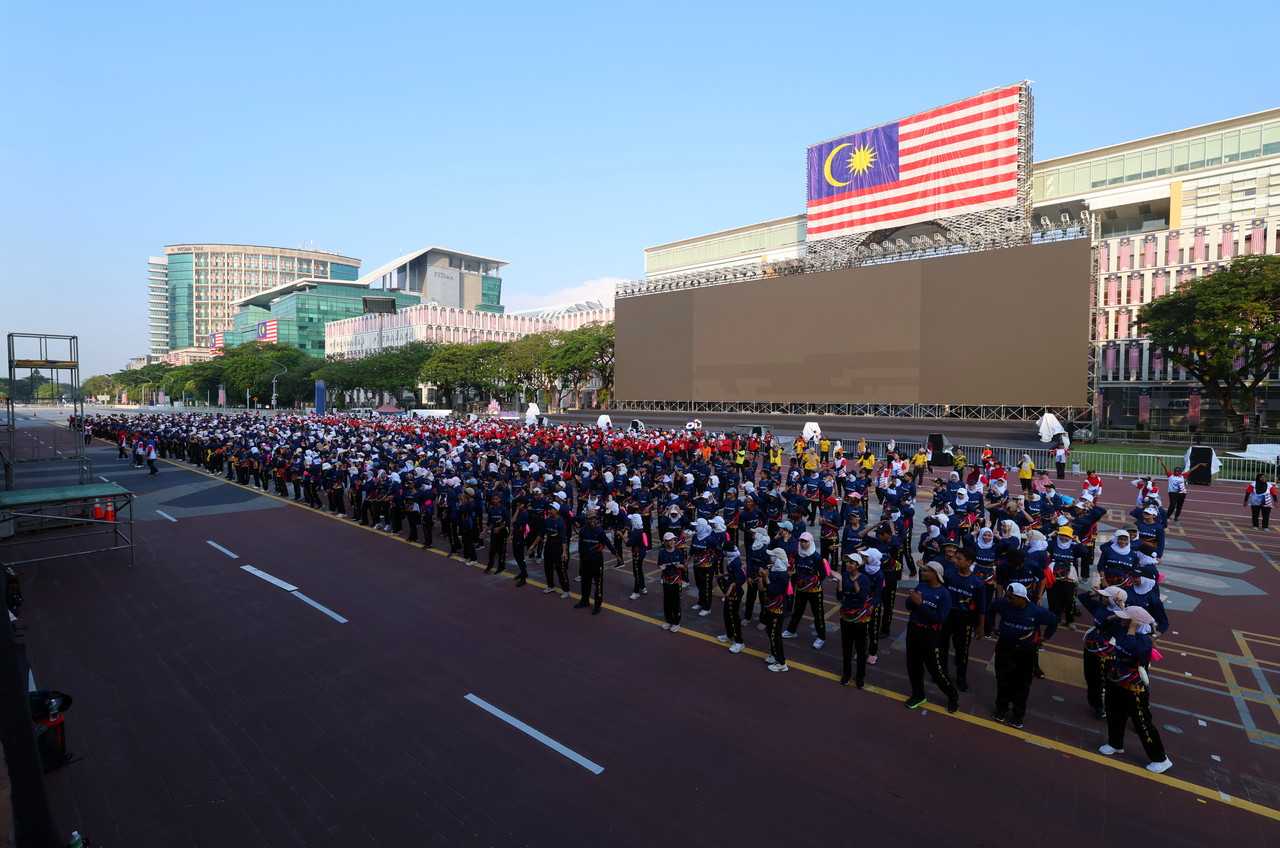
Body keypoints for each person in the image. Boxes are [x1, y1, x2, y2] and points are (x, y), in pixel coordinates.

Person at [1097, 606, 1174, 774]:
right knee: (1114, 713)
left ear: (1135, 623)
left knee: (1142, 722)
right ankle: (1115, 743)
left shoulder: (1144, 641)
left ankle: (1160, 758)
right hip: (1117, 682)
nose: (1122, 620)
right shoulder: (1123, 631)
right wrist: (1111, 618)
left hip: (1134, 687)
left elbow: (1128, 650)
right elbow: (1102, 629)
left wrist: (1131, 628)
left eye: (1126, 619)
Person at [986, 582, 1058, 728]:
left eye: (1011, 598)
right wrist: (992, 626)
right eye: (1007, 597)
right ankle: (1001, 709)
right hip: (1004, 649)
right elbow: (991, 608)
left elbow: (1053, 621)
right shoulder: (1003, 604)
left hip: (1025, 652)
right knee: (1002, 679)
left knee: (1022, 684)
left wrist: (1045, 637)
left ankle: (1017, 715)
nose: (1008, 600)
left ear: (1022, 598)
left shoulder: (1036, 611)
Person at [903, 561, 959, 711]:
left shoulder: (944, 594)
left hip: (930, 634)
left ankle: (952, 695)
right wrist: (911, 600)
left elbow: (940, 618)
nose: (923, 572)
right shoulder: (921, 586)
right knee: (913, 665)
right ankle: (918, 695)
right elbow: (908, 606)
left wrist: (920, 604)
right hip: (913, 630)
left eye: (927, 571)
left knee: (936, 670)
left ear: (936, 574)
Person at [1078, 585, 1128, 720]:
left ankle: (1102, 707)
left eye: (1105, 597)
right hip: (1091, 646)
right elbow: (1082, 597)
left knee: (1102, 680)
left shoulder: (1122, 617)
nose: (1102, 598)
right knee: (1090, 676)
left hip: (1107, 652)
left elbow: (1130, 623)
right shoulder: (1100, 607)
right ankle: (1094, 703)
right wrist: (1092, 594)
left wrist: (1121, 608)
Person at [940, 546, 986, 692]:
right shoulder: (948, 575)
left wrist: (980, 627)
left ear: (969, 562)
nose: (955, 560)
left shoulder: (977, 583)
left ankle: (961, 677)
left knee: (962, 650)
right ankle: (942, 674)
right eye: (955, 558)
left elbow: (981, 608)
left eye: (959, 558)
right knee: (942, 646)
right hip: (947, 616)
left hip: (964, 619)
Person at [835, 552, 875, 688]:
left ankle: (860, 677)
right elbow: (839, 597)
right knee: (846, 648)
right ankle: (846, 674)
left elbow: (863, 598)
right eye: (847, 562)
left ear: (858, 566)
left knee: (860, 649)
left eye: (851, 563)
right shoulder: (844, 576)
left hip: (860, 620)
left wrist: (855, 584)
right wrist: (840, 583)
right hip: (846, 617)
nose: (848, 564)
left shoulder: (864, 579)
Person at [762, 548, 791, 672]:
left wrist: (766, 577)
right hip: (770, 607)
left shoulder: (782, 575)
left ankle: (781, 662)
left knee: (775, 635)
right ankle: (774, 654)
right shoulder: (775, 570)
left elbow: (773, 591)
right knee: (770, 631)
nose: (771, 558)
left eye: (773, 556)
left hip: (777, 610)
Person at [716, 547, 746, 653]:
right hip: (731, 591)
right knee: (726, 614)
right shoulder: (731, 560)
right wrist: (724, 575)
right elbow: (732, 575)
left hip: (735, 593)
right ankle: (729, 635)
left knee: (733, 616)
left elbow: (742, 578)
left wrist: (731, 587)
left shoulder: (736, 562)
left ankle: (739, 642)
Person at [657, 532, 687, 632]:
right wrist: (661, 567)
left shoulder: (679, 552)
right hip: (666, 581)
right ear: (665, 542)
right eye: (669, 540)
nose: (672, 542)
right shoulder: (662, 552)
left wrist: (680, 566)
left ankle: (676, 622)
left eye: (673, 539)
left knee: (676, 602)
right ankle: (669, 620)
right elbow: (659, 564)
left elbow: (685, 567)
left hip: (676, 581)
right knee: (667, 602)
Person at [626, 512, 649, 600]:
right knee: (639, 570)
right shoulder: (642, 530)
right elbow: (646, 542)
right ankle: (643, 587)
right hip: (642, 552)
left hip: (637, 555)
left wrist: (623, 535)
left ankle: (636, 592)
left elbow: (628, 543)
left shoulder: (635, 532)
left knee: (636, 572)